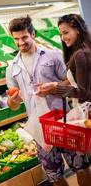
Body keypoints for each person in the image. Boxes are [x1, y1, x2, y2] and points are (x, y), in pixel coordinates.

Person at [6, 15, 90, 186]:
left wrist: (54, 87)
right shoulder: (12, 68)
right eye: (16, 39)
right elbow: (13, 105)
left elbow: (69, 80)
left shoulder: (53, 56)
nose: (21, 42)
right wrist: (13, 100)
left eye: (24, 37)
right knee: (54, 175)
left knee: (81, 167)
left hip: (65, 121)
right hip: (40, 128)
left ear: (33, 34)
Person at [36, 14, 91, 185]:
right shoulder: (85, 49)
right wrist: (58, 83)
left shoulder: (81, 54)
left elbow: (83, 92)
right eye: (60, 34)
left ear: (77, 29)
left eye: (66, 32)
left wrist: (55, 88)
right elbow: (79, 79)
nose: (63, 38)